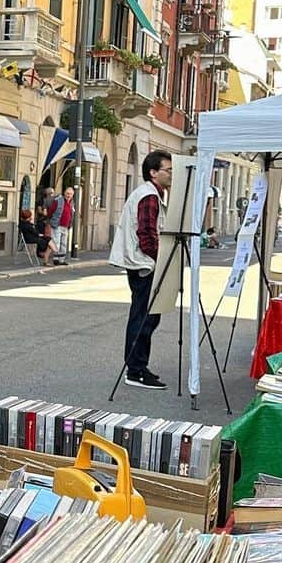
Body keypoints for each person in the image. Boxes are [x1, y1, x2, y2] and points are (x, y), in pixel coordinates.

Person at [109, 149, 173, 390]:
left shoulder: (149, 194)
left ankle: (137, 367)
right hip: (144, 264)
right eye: (167, 170)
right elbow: (146, 234)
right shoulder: (149, 196)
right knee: (144, 317)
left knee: (146, 316)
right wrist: (160, 258)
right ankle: (135, 370)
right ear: (153, 172)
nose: (171, 175)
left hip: (141, 262)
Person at [53, 186, 75, 261]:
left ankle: (61, 260)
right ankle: (56, 259)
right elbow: (51, 211)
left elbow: (72, 214)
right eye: (67, 193)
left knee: (64, 244)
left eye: (70, 194)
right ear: (64, 193)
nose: (68, 195)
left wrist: (70, 224)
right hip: (58, 225)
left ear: (72, 195)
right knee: (57, 243)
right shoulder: (58, 200)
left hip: (66, 226)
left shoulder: (72, 203)